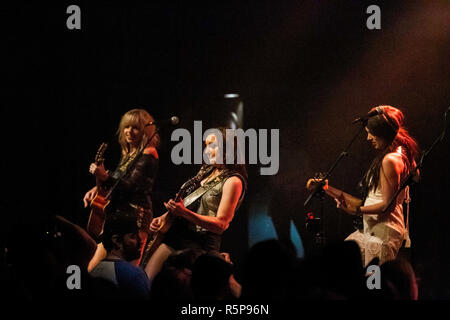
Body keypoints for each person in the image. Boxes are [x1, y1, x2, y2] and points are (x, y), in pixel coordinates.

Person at [307, 105, 419, 266]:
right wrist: (327, 189)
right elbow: (373, 200)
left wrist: (357, 210)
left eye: (370, 133)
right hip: (372, 230)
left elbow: (387, 205)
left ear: (383, 133)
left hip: (381, 236)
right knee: (339, 262)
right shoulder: (401, 153)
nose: (368, 138)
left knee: (375, 285)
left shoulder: (390, 160)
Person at [144, 127, 247, 282]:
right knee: (148, 281)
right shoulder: (206, 171)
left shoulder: (233, 181)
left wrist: (184, 213)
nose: (207, 150)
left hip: (200, 245)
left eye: (213, 145)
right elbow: (187, 203)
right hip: (177, 235)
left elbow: (221, 224)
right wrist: (164, 218)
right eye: (206, 145)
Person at [83, 109, 160, 270]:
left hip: (136, 217)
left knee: (123, 268)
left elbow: (130, 186)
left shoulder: (148, 152)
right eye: (126, 127)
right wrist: (96, 188)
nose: (129, 131)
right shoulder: (129, 152)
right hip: (120, 215)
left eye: (135, 128)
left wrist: (105, 177)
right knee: (98, 267)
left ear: (145, 131)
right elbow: (119, 180)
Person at [89, 208, 151, 299]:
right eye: (133, 237)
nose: (140, 241)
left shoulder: (94, 270)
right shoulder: (134, 274)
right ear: (116, 240)